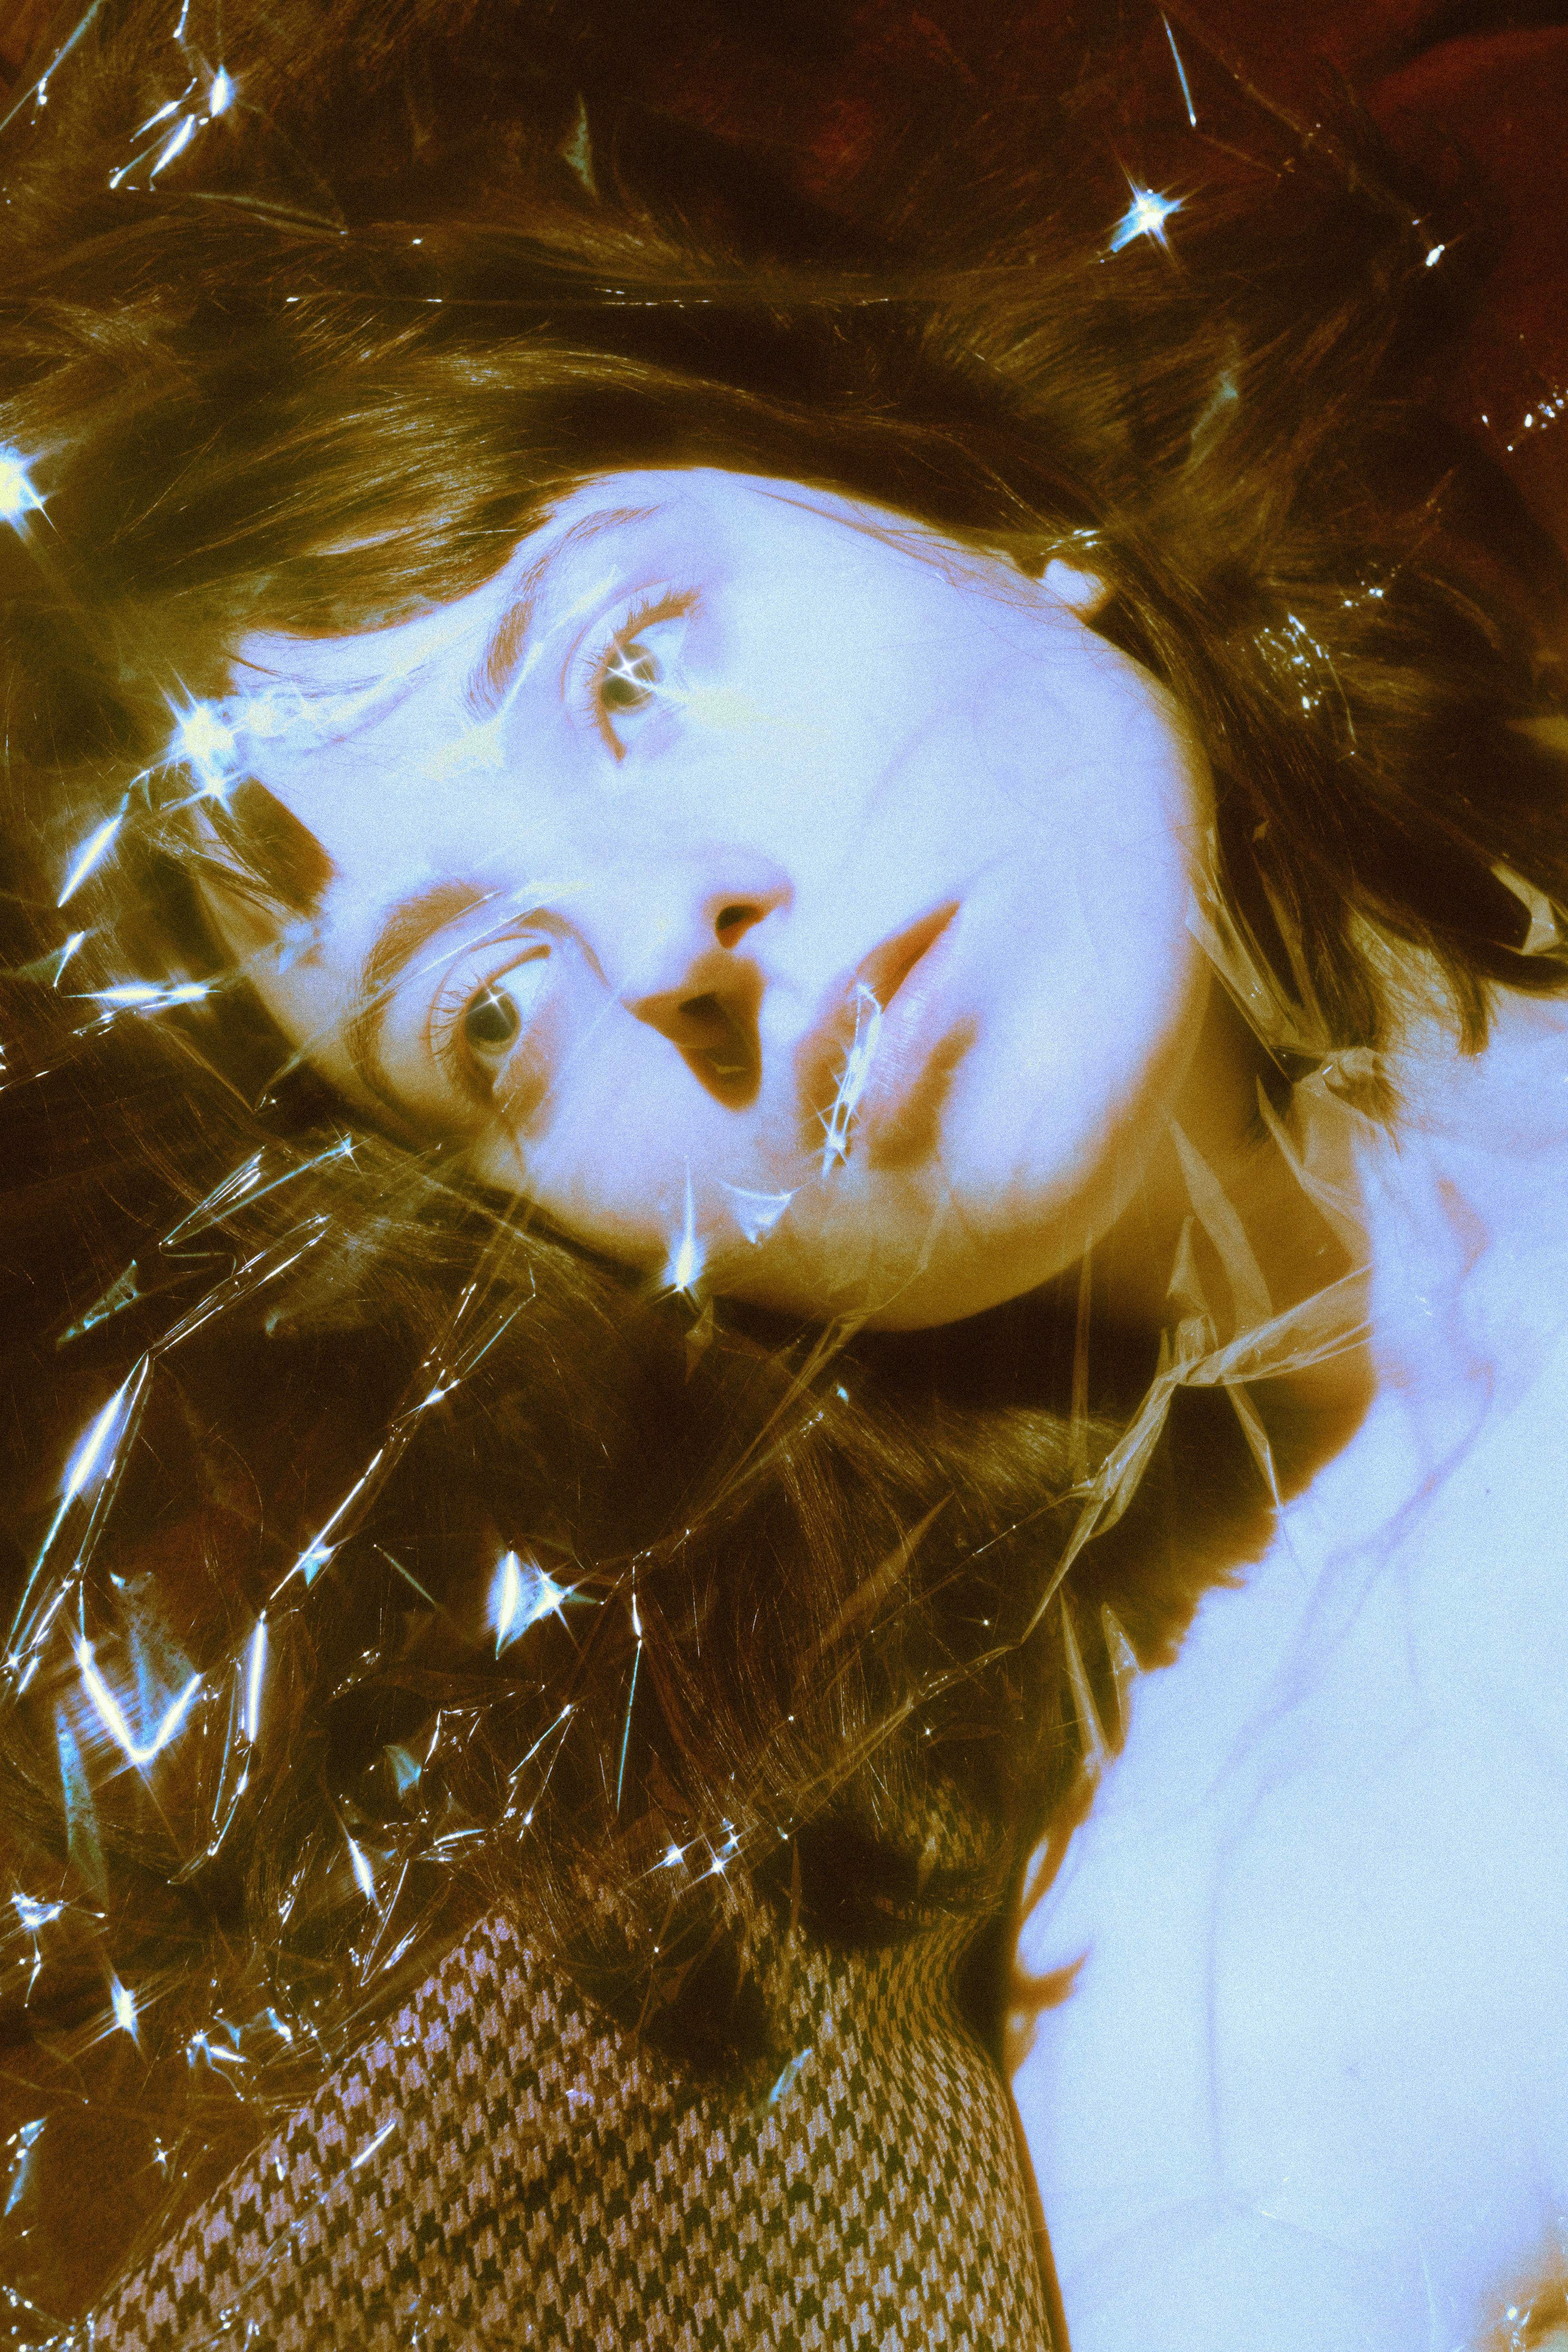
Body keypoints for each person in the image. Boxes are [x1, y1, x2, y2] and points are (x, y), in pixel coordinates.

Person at [0, 0, 1565, 2344]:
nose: (662, 946)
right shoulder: (1166, 2058)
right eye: (490, 1017)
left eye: (624, 670)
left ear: (964, 497)